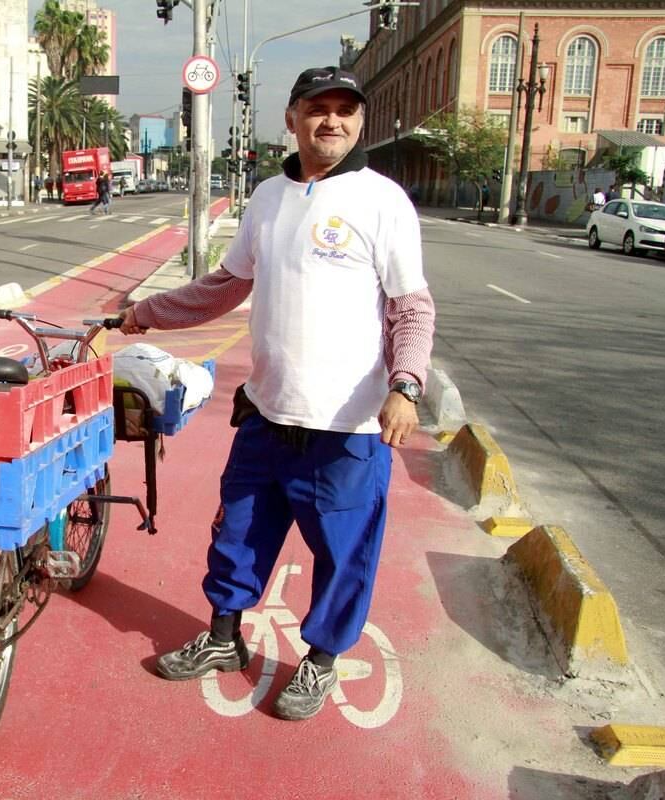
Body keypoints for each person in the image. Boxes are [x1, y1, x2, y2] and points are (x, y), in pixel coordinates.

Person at [117, 66, 435, 722]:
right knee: (237, 534)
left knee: (344, 554)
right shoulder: (266, 198)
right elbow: (225, 285)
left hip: (347, 429)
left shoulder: (383, 201)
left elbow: (412, 308)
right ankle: (225, 639)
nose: (333, 121)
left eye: (346, 110)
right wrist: (147, 312)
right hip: (266, 413)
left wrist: (406, 385)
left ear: (360, 119)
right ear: (291, 117)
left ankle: (320, 660)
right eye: (318, 108)